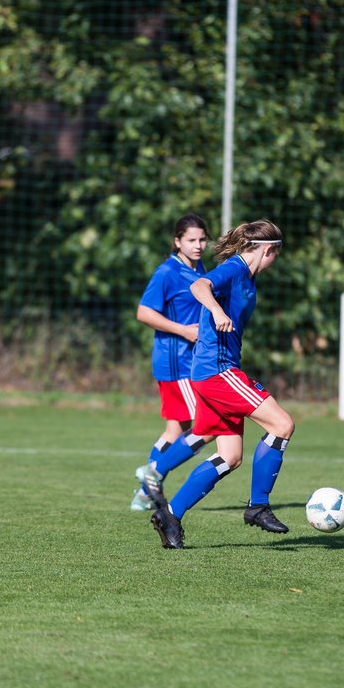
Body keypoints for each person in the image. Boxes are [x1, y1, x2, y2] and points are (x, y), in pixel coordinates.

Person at [146, 220, 295, 549]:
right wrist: (215, 310)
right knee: (282, 424)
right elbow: (201, 286)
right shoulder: (235, 268)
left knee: (229, 456)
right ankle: (258, 506)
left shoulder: (247, 276)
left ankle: (170, 514)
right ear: (268, 251)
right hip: (217, 371)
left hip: (211, 372)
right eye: (276, 256)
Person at [130, 214, 215, 510]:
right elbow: (144, 312)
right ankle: (151, 476)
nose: (198, 245)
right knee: (205, 423)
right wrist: (183, 331)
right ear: (177, 241)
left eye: (202, 239)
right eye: (191, 240)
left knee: (175, 431)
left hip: (188, 361)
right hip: (176, 362)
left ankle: (144, 493)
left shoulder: (198, 268)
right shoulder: (167, 272)